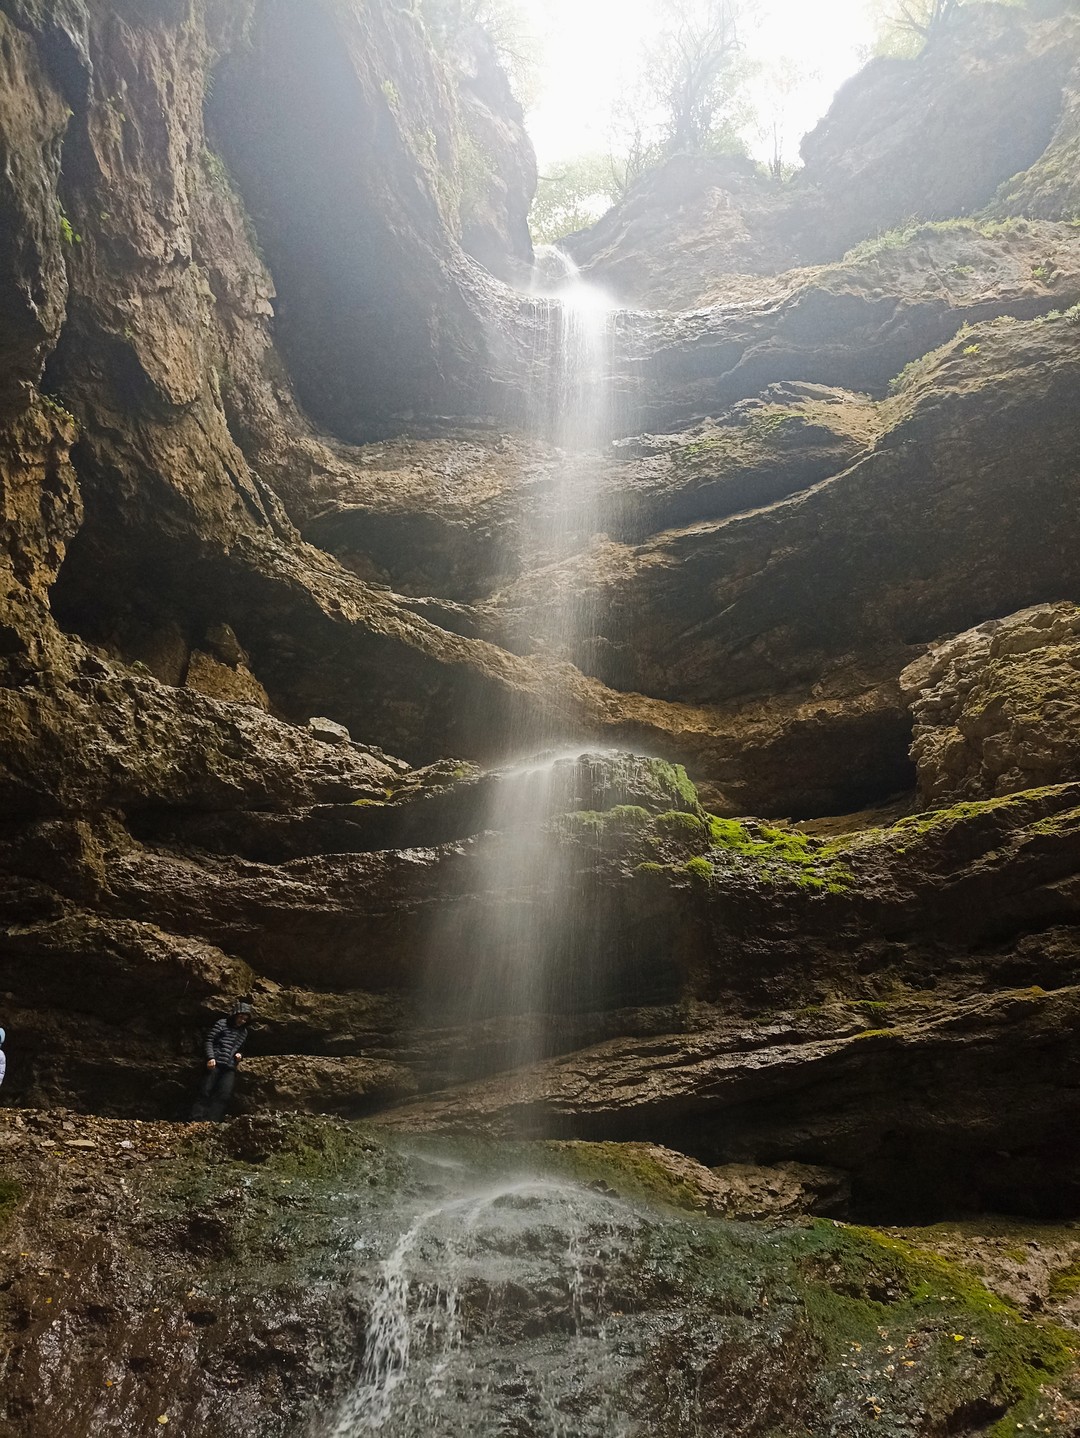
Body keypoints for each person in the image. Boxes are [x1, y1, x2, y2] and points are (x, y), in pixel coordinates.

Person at [190, 1002, 252, 1122]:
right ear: (235, 1014)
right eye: (241, 1017)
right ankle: (196, 1119)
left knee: (224, 1094)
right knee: (205, 1090)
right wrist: (210, 1057)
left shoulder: (243, 1032)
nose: (242, 1021)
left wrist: (240, 1055)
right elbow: (209, 1040)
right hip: (216, 1062)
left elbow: (242, 1049)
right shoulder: (222, 1024)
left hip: (229, 1066)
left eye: (245, 1019)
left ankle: (212, 1121)